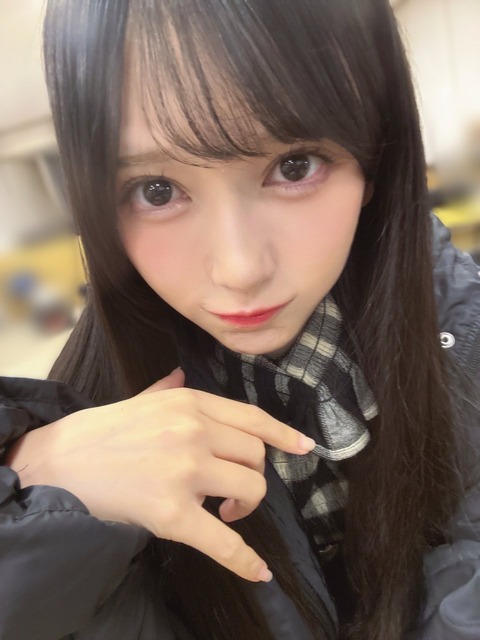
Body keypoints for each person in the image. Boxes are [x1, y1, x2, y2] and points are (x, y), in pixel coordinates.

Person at [1, 0, 479, 638]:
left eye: (294, 165)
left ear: (376, 163)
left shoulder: (462, 327)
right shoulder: (83, 414)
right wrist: (34, 512)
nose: (239, 269)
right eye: (156, 190)